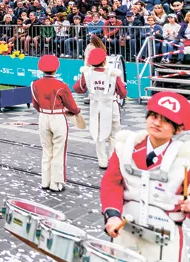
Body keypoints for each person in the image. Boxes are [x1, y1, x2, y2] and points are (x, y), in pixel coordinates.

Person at [101, 91, 190, 261]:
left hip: (164, 238)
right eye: (154, 116)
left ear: (178, 128)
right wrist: (112, 215)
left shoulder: (185, 157)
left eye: (165, 120)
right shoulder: (125, 147)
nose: (157, 123)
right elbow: (111, 183)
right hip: (125, 230)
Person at [31, 54, 81, 192]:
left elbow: (35, 104)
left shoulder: (35, 84)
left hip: (43, 116)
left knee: (46, 150)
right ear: (56, 68)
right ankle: (56, 183)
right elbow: (71, 105)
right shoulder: (61, 85)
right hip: (58, 117)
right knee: (59, 150)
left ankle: (45, 181)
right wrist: (76, 111)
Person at [74, 48, 127, 169]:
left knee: (99, 134)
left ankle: (102, 161)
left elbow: (77, 89)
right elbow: (123, 93)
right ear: (104, 61)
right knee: (114, 135)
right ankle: (113, 159)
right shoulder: (113, 74)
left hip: (96, 107)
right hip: (111, 106)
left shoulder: (87, 73)